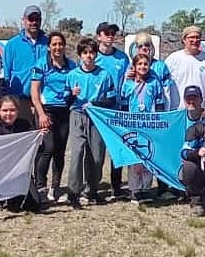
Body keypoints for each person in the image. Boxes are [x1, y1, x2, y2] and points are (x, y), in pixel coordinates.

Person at [66, 37, 119, 207]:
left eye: (91, 53)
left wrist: (97, 102)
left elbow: (111, 97)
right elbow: (65, 98)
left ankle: (92, 190)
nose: (89, 56)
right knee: (77, 153)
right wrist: (71, 94)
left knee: (96, 156)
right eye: (85, 53)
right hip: (78, 115)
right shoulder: (73, 75)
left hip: (97, 116)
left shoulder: (104, 74)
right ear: (80, 55)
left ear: (96, 55)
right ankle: (73, 192)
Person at [30, 31, 77, 202]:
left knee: (60, 150)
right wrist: (40, 113)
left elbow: (76, 86)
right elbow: (34, 90)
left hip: (64, 110)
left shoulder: (72, 66)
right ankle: (40, 185)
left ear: (64, 46)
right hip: (46, 109)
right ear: (49, 47)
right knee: (47, 147)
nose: (57, 47)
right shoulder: (41, 64)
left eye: (60, 44)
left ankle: (55, 187)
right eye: (54, 44)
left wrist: (74, 93)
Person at [120, 52, 166, 202]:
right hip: (133, 124)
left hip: (149, 123)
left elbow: (159, 103)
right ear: (134, 66)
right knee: (135, 158)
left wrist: (158, 121)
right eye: (139, 64)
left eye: (145, 64)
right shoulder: (128, 83)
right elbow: (124, 104)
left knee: (148, 155)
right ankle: (135, 189)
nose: (143, 67)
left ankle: (146, 188)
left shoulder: (154, 82)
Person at [3, 5, 49, 125]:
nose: (34, 22)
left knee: (44, 137)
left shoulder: (48, 43)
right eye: (30, 19)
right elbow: (6, 74)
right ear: (24, 20)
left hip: (44, 99)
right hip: (20, 99)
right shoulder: (12, 44)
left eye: (37, 19)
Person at [164, 26, 205, 109]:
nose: (195, 40)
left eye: (197, 37)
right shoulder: (172, 59)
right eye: (191, 37)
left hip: (203, 111)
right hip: (179, 110)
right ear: (184, 40)